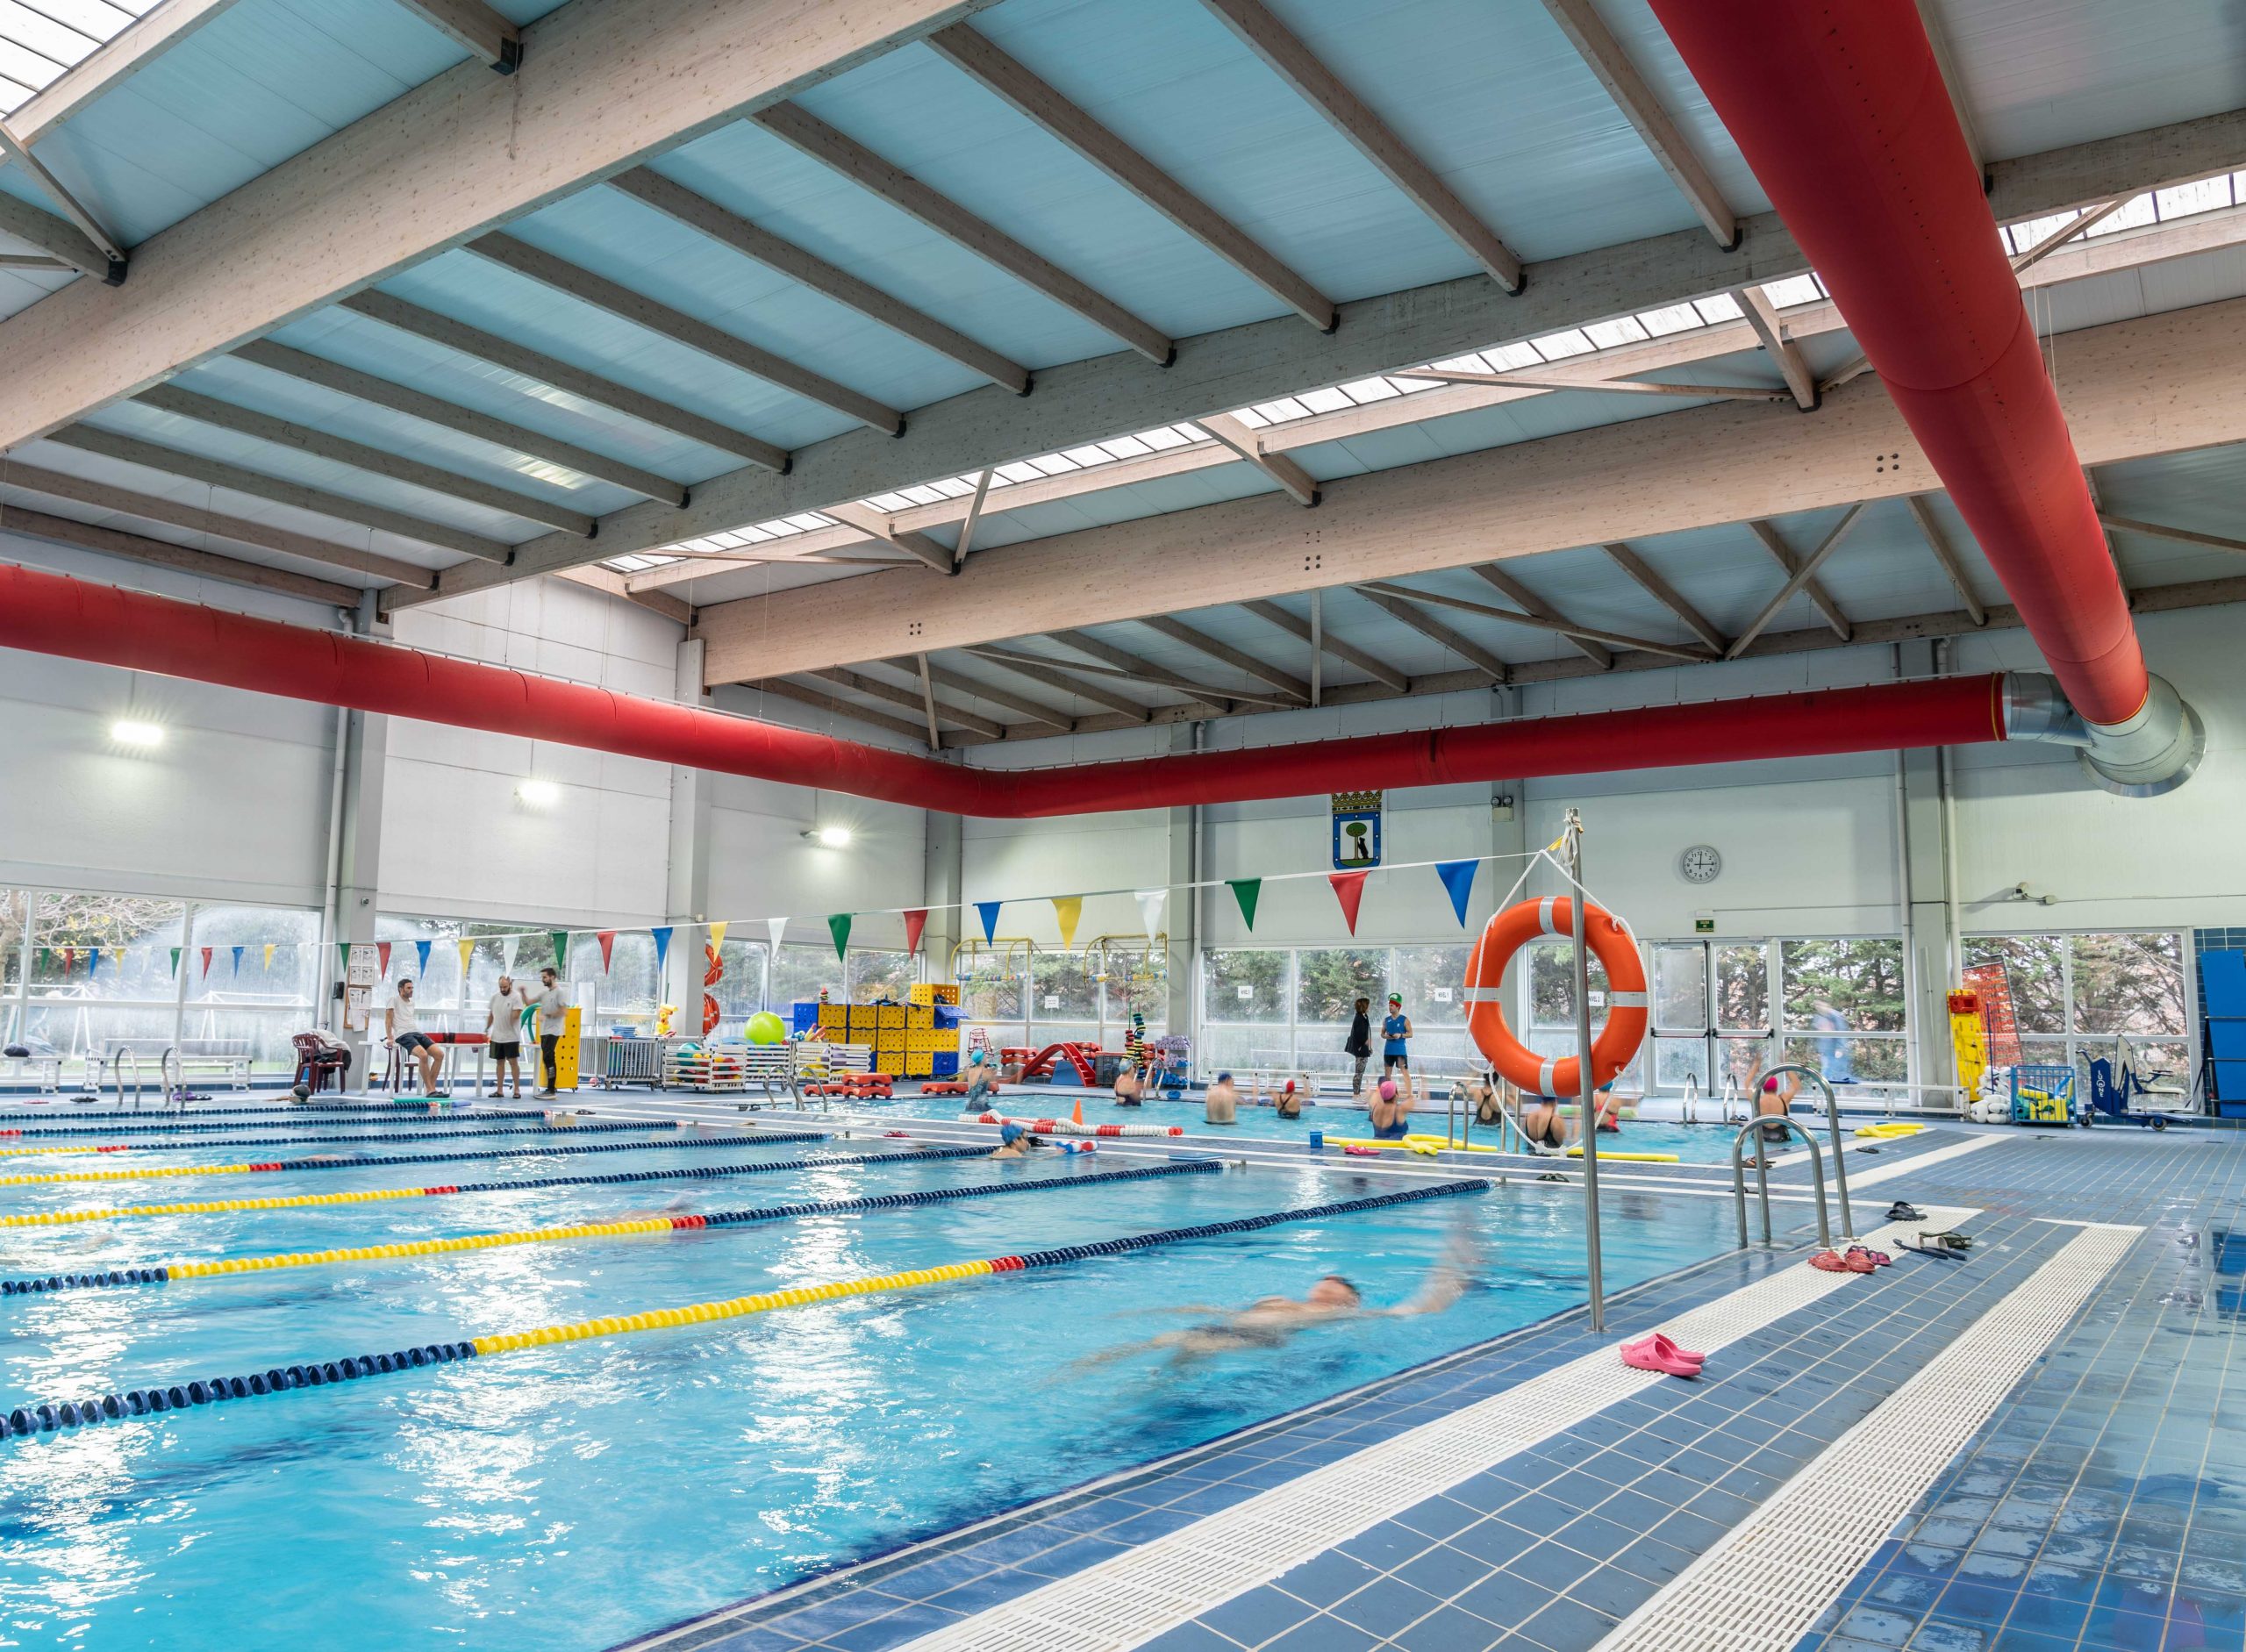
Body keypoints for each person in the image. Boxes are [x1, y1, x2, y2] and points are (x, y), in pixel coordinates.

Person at [1077, 1229, 1478, 1369]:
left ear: (1348, 1300)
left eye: (1338, 1281)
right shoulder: (1280, 1298)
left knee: (1184, 1347)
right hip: (1226, 1326)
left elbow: (1409, 1309)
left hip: (1259, 1340)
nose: (1328, 1280)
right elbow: (1221, 1310)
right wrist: (1157, 1308)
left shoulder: (1337, 1315)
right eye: (1326, 1277)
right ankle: (1084, 1374)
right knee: (1155, 1345)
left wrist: (1450, 1280)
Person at [386, 977, 442, 1096]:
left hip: (416, 1032)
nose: (412, 990)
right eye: (409, 988)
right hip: (403, 1034)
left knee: (439, 1054)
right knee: (423, 1055)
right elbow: (388, 1020)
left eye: (412, 988)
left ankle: (430, 1089)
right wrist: (390, 1037)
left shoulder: (412, 1003)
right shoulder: (393, 999)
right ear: (401, 989)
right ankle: (431, 1090)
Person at [484, 973, 531, 1098]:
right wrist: (486, 1029)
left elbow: (517, 1014)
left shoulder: (516, 997)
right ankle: (499, 1090)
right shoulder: (495, 997)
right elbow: (491, 1015)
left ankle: (517, 1089)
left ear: (510, 984)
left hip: (511, 1036)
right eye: (501, 987)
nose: (503, 989)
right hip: (497, 1036)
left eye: (505, 987)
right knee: (499, 1062)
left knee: (513, 1062)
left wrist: (513, 1016)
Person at [532, 965, 569, 1098]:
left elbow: (564, 1011)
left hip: (554, 1030)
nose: (543, 980)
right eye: (542, 977)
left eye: (545, 977)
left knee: (549, 1058)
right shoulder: (545, 993)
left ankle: (551, 1088)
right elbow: (529, 1001)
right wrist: (522, 992)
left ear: (552, 977)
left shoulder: (560, 992)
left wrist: (546, 1016)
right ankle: (550, 1087)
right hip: (545, 1030)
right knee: (546, 1059)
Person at [1381, 994, 1413, 1098]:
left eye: (1392, 1006)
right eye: (1389, 1005)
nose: (1390, 1007)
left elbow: (1411, 1034)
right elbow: (1382, 1034)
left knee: (1405, 1073)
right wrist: (1387, 1037)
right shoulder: (1386, 1020)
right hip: (1388, 1051)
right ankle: (1389, 1095)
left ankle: (1410, 1094)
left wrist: (1401, 1035)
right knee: (1387, 1075)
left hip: (1400, 1051)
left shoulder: (1405, 1020)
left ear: (1398, 1006)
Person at [1344, 997, 1373, 1093]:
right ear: (1364, 1006)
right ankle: (1356, 1094)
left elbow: (1364, 1033)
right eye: (1368, 1005)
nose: (1369, 1007)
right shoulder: (1360, 1018)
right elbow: (1359, 1035)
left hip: (1363, 1049)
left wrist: (1368, 1047)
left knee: (1360, 1073)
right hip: (1360, 1050)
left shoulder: (1363, 1016)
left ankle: (1357, 1093)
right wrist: (1365, 1043)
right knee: (1359, 1073)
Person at [1368, 1076, 1412, 1141]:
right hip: (1396, 1149)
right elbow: (1411, 1098)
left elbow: (1372, 1096)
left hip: (1377, 1147)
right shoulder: (1399, 1110)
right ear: (1395, 1094)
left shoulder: (1375, 1107)